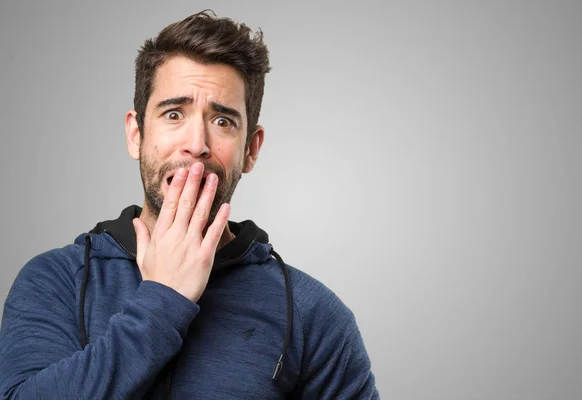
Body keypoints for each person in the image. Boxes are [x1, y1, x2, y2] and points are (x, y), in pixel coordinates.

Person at [0, 10, 379, 399]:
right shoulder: (55, 280)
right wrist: (163, 299)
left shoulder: (313, 314)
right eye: (174, 114)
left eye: (223, 122)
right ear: (136, 134)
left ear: (251, 150)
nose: (196, 143)